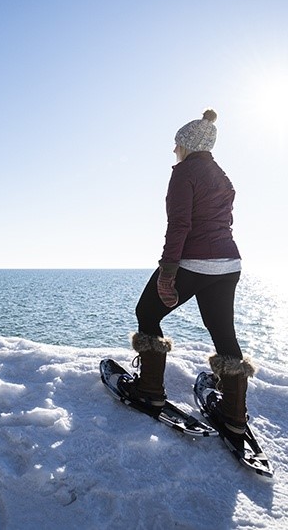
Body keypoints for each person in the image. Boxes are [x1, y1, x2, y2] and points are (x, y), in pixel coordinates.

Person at [118, 108, 255, 436]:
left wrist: (167, 274)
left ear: (188, 145)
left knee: (147, 314)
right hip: (228, 265)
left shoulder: (184, 173)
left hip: (193, 261)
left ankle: (149, 391)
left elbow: (179, 225)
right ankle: (234, 415)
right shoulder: (222, 176)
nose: (174, 149)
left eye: (177, 143)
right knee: (223, 333)